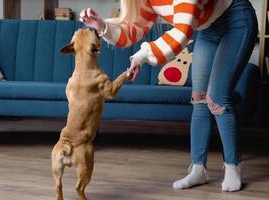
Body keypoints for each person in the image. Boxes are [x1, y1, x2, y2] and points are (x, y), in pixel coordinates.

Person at [80, 0, 257, 192]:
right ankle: (198, 169)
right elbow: (135, 27)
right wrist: (102, 26)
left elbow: (182, 32)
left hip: (236, 19)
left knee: (217, 98)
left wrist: (142, 55)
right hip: (207, 29)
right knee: (199, 99)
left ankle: (232, 166)